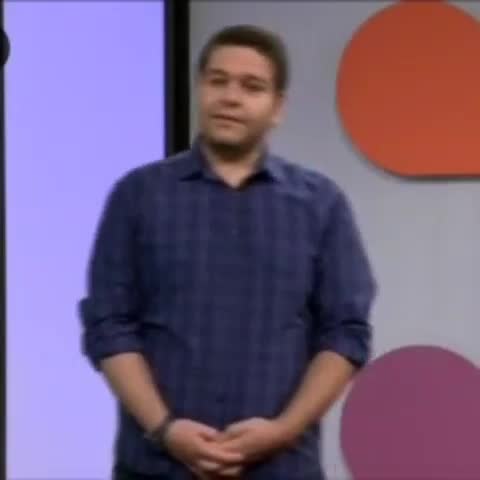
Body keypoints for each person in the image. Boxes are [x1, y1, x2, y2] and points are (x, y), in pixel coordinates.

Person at [78, 24, 377, 480]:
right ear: (200, 89)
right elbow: (109, 325)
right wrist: (165, 429)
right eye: (218, 81)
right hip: (156, 468)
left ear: (278, 107)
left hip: (281, 468)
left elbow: (345, 334)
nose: (231, 97)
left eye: (251, 86)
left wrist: (282, 430)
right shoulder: (138, 196)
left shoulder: (321, 205)